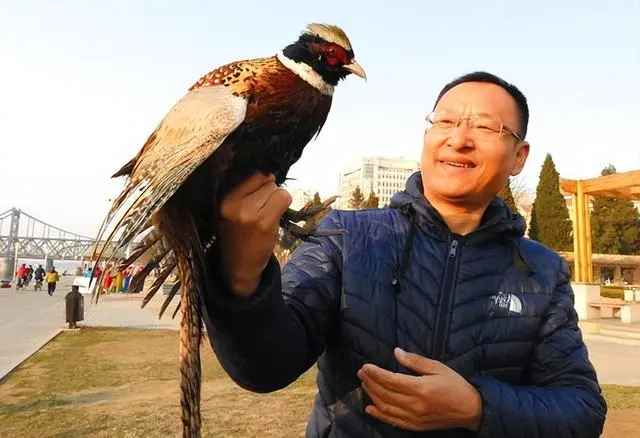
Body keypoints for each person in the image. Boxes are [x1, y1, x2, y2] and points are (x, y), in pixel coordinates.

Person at [204, 72, 607, 437]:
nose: (459, 138)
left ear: (519, 156)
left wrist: (477, 407)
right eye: (445, 122)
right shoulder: (348, 235)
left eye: (485, 126)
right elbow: (265, 367)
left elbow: (582, 409)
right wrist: (242, 281)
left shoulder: (540, 270)